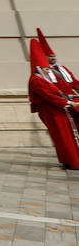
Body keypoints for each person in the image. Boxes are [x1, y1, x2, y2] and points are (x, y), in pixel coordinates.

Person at [28, 38, 79, 170]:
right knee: (63, 137)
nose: (47, 70)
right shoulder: (36, 80)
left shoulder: (46, 77)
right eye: (45, 68)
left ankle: (73, 159)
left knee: (69, 135)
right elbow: (49, 96)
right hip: (51, 111)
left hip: (59, 108)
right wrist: (67, 102)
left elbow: (66, 86)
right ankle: (72, 161)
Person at [37, 30, 78, 99]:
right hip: (61, 97)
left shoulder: (63, 68)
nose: (53, 58)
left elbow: (74, 82)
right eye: (50, 56)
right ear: (44, 57)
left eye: (54, 56)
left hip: (73, 95)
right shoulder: (42, 71)